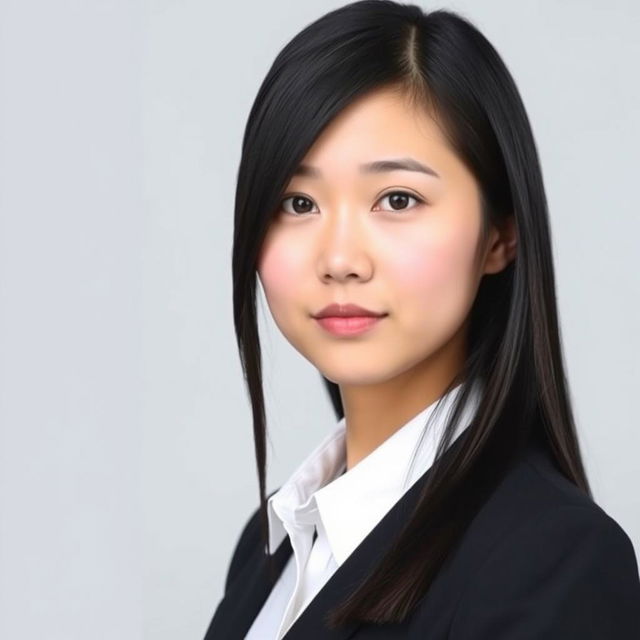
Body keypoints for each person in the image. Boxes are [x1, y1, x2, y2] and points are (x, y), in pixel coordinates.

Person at [204, 1, 640, 638]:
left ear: (498, 236)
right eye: (298, 202)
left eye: (397, 199)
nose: (340, 259)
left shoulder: (556, 560)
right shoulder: (269, 545)